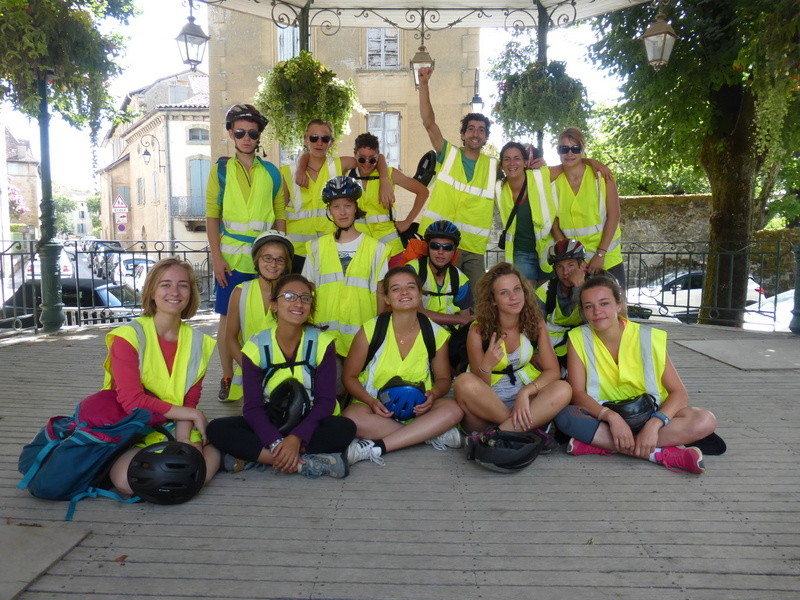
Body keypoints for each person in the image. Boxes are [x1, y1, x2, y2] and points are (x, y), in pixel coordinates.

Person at [554, 275, 717, 474]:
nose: (597, 312)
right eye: (589, 306)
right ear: (583, 312)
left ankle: (603, 445)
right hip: (604, 416)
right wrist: (613, 418)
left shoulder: (648, 336)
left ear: (619, 305)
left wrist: (655, 424)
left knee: (705, 419)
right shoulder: (578, 337)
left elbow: (679, 393)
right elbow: (578, 393)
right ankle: (659, 454)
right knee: (565, 417)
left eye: (604, 303)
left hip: (650, 413)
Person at [207, 274, 356, 478]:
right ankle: (302, 462)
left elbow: (326, 402)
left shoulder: (323, 343)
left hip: (310, 420)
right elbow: (252, 407)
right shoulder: (255, 345)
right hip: (271, 419)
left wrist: (296, 437)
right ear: (274, 305)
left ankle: (257, 456)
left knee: (345, 428)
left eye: (306, 298)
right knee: (216, 429)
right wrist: (277, 441)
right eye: (289, 296)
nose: (298, 303)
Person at [102, 258, 219, 494]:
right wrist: (193, 414)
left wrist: (183, 440)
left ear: (190, 293)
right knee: (129, 483)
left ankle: (216, 446)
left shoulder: (198, 341)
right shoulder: (128, 336)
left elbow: (189, 399)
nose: (175, 292)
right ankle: (215, 447)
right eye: (165, 284)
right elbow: (132, 402)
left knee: (190, 477)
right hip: (134, 426)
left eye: (183, 285)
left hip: (178, 422)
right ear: (152, 292)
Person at [342, 266, 463, 465]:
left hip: (418, 411)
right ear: (387, 298)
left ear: (420, 293)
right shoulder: (371, 329)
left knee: (454, 409)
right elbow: (349, 377)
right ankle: (428, 434)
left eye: (411, 287)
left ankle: (378, 445)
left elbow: (443, 379)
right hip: (375, 409)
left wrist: (432, 396)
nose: (404, 292)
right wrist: (372, 403)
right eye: (396, 289)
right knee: (351, 418)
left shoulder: (435, 333)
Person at [206, 103, 286, 402]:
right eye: (240, 132)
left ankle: (265, 373)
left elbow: (280, 213)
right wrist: (216, 257)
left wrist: (280, 251)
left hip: (264, 259)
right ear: (231, 133)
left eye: (252, 133)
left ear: (259, 135)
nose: (247, 138)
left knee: (265, 317)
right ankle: (228, 377)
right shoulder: (221, 170)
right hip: (232, 260)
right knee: (227, 323)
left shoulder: (271, 172)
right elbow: (212, 215)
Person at [453, 262, 571, 436]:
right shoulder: (478, 330)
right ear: (493, 300)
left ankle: (499, 433)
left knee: (563, 389)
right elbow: (480, 386)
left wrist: (525, 392)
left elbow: (553, 371)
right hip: (488, 405)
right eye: (504, 293)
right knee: (463, 382)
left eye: (517, 289)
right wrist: (487, 365)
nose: (514, 297)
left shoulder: (535, 324)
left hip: (524, 400)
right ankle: (521, 429)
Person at [417, 66, 497, 292]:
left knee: (478, 305)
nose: (475, 133)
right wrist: (424, 84)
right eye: (470, 129)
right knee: (431, 296)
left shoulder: (493, 166)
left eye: (481, 130)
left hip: (472, 249)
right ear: (462, 134)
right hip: (438, 243)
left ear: (486, 138)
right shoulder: (449, 154)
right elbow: (429, 123)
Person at [302, 175, 388, 357]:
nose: (342, 212)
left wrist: (378, 336)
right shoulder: (316, 248)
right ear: (329, 211)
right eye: (336, 206)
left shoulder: (377, 249)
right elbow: (307, 291)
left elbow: (381, 294)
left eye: (347, 205)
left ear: (356, 208)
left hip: (362, 340)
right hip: (323, 340)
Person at [285, 120, 392, 259]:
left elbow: (376, 158)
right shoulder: (288, 172)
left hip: (330, 246)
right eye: (314, 138)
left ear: (331, 142)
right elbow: (280, 212)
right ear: (305, 139)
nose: (319, 143)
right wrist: (301, 167)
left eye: (325, 139)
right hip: (297, 250)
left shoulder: (339, 164)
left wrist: (384, 180)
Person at [549, 127, 625, 287]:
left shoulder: (602, 176)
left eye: (575, 148)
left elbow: (614, 215)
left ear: (583, 149)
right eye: (564, 149)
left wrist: (600, 254)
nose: (570, 154)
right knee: (582, 309)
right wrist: (571, 257)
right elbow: (554, 223)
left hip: (608, 257)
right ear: (558, 151)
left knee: (618, 308)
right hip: (576, 263)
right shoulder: (553, 183)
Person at [224, 230, 294, 401]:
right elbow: (230, 338)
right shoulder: (241, 292)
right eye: (267, 258)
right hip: (250, 374)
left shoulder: (292, 293)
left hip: (286, 374)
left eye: (280, 259)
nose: (273, 264)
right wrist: (250, 369)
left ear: (286, 264)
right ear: (257, 260)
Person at [348, 132, 429, 257]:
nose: (367, 163)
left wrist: (407, 221)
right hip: (360, 248)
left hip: (390, 249)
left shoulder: (390, 174)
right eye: (362, 158)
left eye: (372, 159)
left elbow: (423, 192)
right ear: (355, 154)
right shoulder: (346, 176)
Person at [496, 142, 558, 288]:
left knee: (548, 298)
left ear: (525, 162)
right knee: (526, 300)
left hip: (548, 249)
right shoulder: (498, 187)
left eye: (517, 158)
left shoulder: (540, 176)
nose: (512, 163)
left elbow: (571, 166)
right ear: (501, 165)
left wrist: (594, 163)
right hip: (521, 253)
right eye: (507, 159)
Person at [405, 220, 473, 328]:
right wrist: (460, 319)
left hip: (450, 339)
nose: (440, 252)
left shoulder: (461, 280)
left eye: (447, 247)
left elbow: (465, 321)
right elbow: (418, 312)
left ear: (455, 250)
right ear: (427, 247)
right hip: (418, 335)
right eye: (435, 246)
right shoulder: (412, 270)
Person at [536, 239, 591, 372]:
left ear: (581, 265)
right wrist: (536, 352)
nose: (565, 272)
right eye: (560, 267)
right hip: (552, 350)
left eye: (571, 265)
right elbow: (534, 325)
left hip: (584, 348)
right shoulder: (546, 290)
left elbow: (593, 320)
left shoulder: (594, 288)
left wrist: (579, 287)